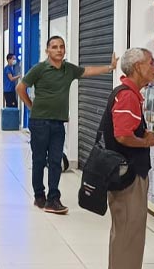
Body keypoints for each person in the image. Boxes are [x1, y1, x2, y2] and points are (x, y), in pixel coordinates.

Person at [16, 36, 117, 214]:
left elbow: (87, 71)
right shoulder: (39, 69)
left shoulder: (69, 69)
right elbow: (20, 88)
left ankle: (53, 199)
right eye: (54, 47)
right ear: (47, 50)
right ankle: (39, 195)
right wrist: (31, 107)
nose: (59, 50)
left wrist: (110, 67)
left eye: (61, 47)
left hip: (58, 123)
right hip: (39, 123)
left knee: (55, 161)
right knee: (39, 160)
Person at [103, 48, 154, 269]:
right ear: (136, 67)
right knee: (129, 235)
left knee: (124, 233)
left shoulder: (129, 94)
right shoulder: (127, 95)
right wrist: (145, 141)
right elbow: (123, 135)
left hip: (125, 173)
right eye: (151, 63)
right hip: (127, 175)